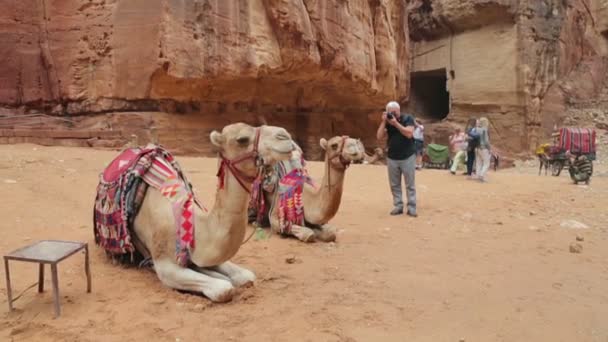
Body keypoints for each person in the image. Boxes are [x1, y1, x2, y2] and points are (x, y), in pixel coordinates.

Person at [376, 101, 417, 217]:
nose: (393, 114)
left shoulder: (408, 118)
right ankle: (398, 205)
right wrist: (384, 121)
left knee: (410, 183)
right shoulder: (388, 122)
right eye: (390, 112)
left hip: (407, 156)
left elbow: (409, 133)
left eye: (394, 111)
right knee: (394, 184)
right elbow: (379, 136)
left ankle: (411, 207)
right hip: (392, 157)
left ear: (399, 110)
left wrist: (396, 124)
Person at [474, 117, 492, 182]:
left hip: (477, 148)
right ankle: (481, 175)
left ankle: (478, 176)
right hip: (484, 148)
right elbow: (486, 141)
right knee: (486, 163)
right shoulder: (485, 129)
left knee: (478, 163)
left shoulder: (476, 129)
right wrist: (489, 148)